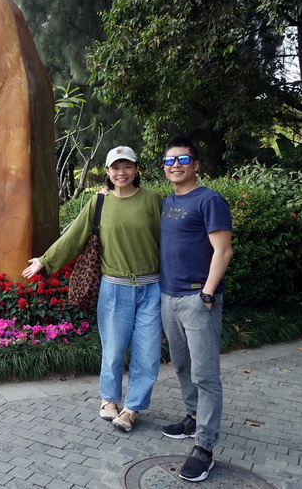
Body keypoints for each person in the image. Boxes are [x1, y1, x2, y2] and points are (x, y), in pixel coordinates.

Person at [23, 146, 162, 432]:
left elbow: (168, 241)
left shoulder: (152, 199)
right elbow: (74, 235)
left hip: (151, 288)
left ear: (137, 169)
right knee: (113, 350)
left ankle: (132, 408)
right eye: (115, 167)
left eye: (127, 166)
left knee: (147, 354)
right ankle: (109, 399)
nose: (121, 172)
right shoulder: (99, 202)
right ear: (107, 172)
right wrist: (45, 260)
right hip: (114, 288)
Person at [158, 136, 233, 483]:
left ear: (196, 164)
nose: (176, 165)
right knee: (183, 366)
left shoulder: (210, 200)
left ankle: (204, 446)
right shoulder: (166, 203)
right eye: (170, 160)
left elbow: (223, 250)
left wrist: (207, 293)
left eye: (183, 159)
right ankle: (192, 418)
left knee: (206, 375)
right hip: (168, 297)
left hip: (196, 299)